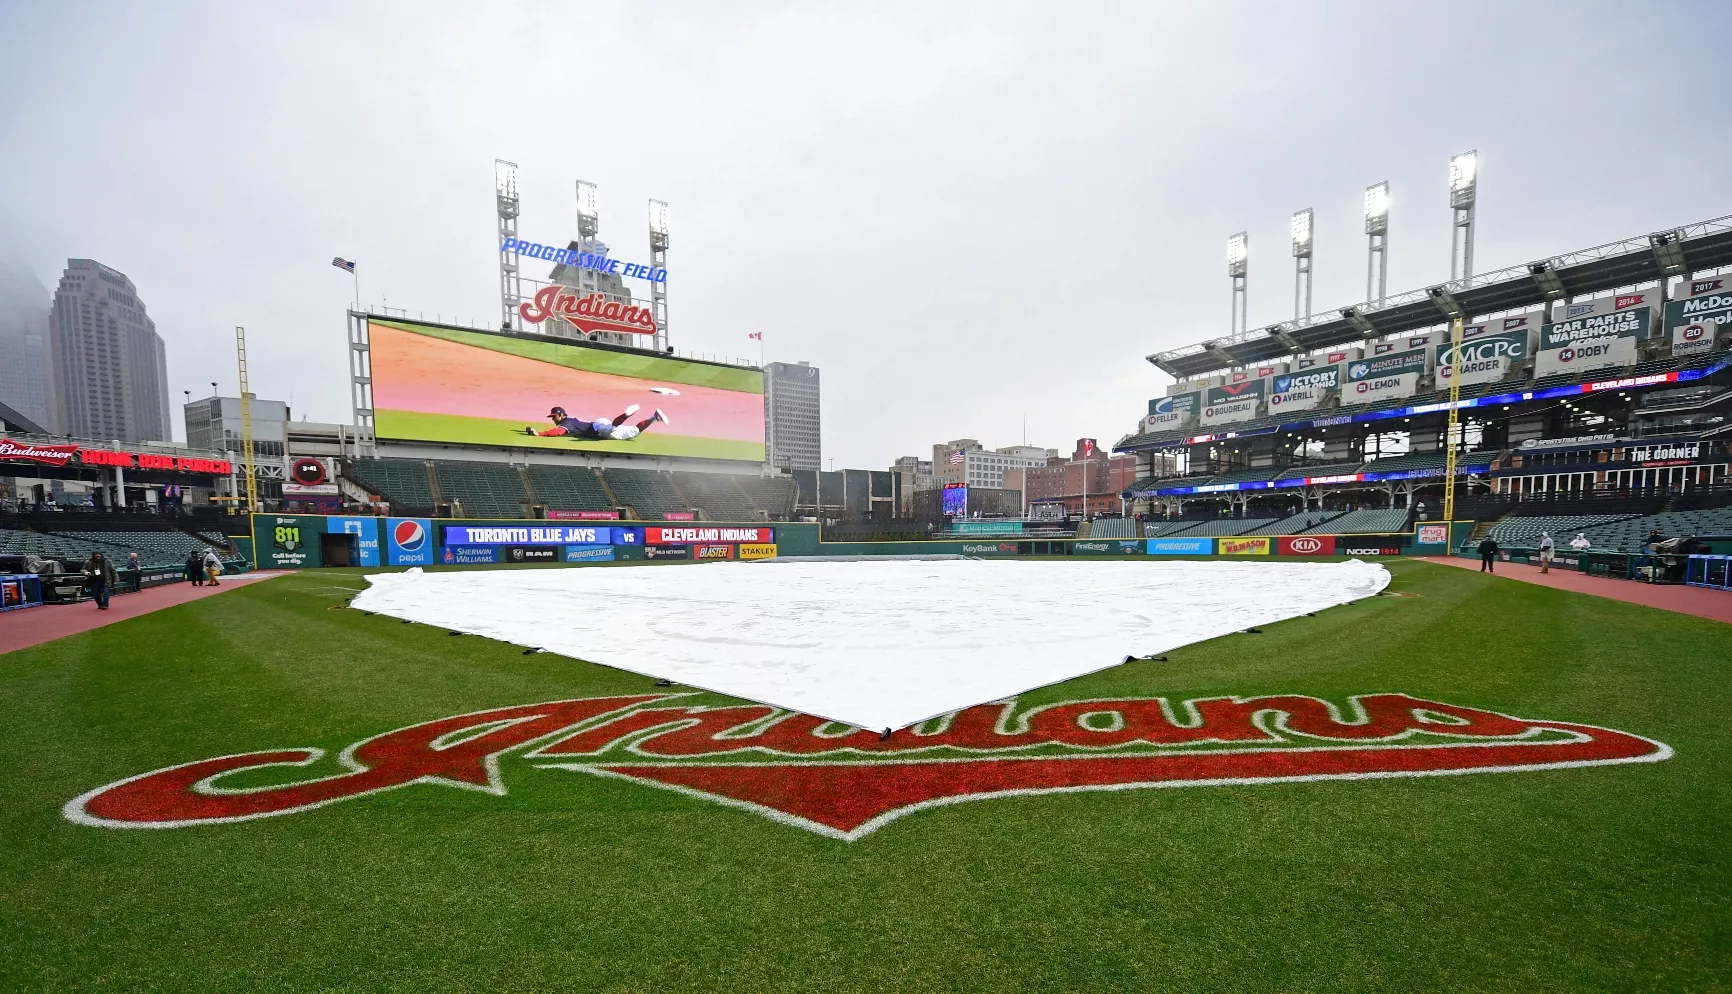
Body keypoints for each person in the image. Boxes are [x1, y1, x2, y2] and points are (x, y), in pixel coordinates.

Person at [524, 404, 668, 442]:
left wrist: (539, 434)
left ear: (561, 415)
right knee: (634, 432)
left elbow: (558, 432)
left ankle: (626, 414)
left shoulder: (567, 422)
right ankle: (654, 417)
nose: (553, 419)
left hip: (597, 428)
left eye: (554, 416)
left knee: (612, 427)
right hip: (599, 428)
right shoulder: (570, 420)